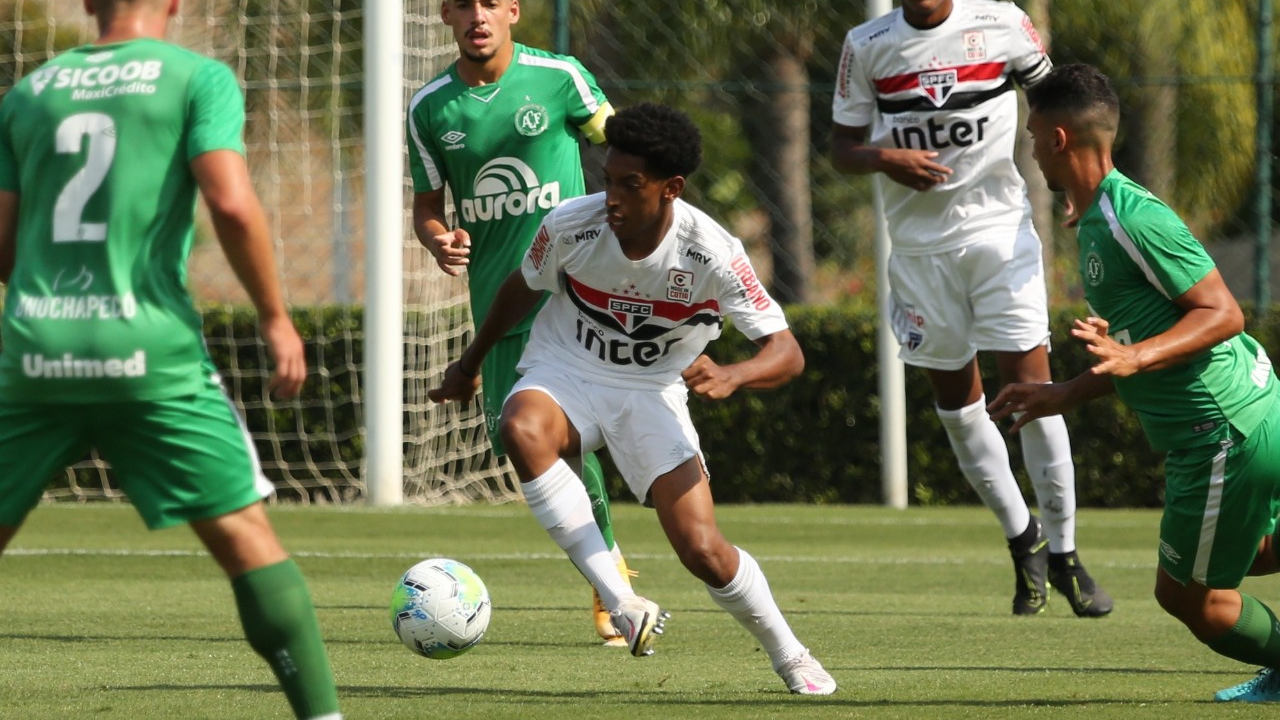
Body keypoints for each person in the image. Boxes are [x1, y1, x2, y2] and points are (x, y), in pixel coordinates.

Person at [0, 1, 342, 718]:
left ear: (89, 3)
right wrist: (276, 318)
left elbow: (1, 242)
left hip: (36, 352)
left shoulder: (28, 95)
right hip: (148, 353)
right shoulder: (196, 78)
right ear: (175, 3)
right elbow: (232, 202)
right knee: (247, 543)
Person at [429, 102, 837, 694]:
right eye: (607, 180)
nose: (612, 197)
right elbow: (521, 287)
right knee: (521, 426)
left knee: (702, 550)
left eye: (630, 185)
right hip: (565, 368)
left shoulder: (711, 252)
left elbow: (787, 351)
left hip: (651, 392)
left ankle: (791, 653)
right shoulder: (572, 223)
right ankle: (622, 599)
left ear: (671, 189)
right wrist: (469, 365)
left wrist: (735, 375)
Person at [991, 62, 1280, 703]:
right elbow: (1135, 347)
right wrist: (1064, 393)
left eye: (1034, 135)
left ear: (1059, 140)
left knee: (1189, 596)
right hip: (1245, 414)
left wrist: (1135, 358)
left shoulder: (1130, 218)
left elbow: (1223, 312)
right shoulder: (1097, 221)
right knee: (1251, 554)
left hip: (1221, 431)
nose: (1032, 148)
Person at [829, 0, 1111, 616]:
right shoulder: (867, 43)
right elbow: (842, 148)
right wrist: (884, 157)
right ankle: (1022, 537)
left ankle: (1066, 553)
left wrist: (1077, 187)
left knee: (1034, 392)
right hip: (918, 252)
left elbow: (1061, 109)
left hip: (1001, 236)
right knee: (959, 406)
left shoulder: (1002, 22)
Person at [406, 0, 634, 646]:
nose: (478, 15)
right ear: (447, 14)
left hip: (571, 295)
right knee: (517, 443)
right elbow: (426, 206)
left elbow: (622, 144)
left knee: (562, 440)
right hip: (499, 306)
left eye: (491, 3)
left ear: (513, 11)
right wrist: (436, 239)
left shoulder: (560, 76)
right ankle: (608, 565)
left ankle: (609, 577)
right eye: (464, 4)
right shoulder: (430, 109)